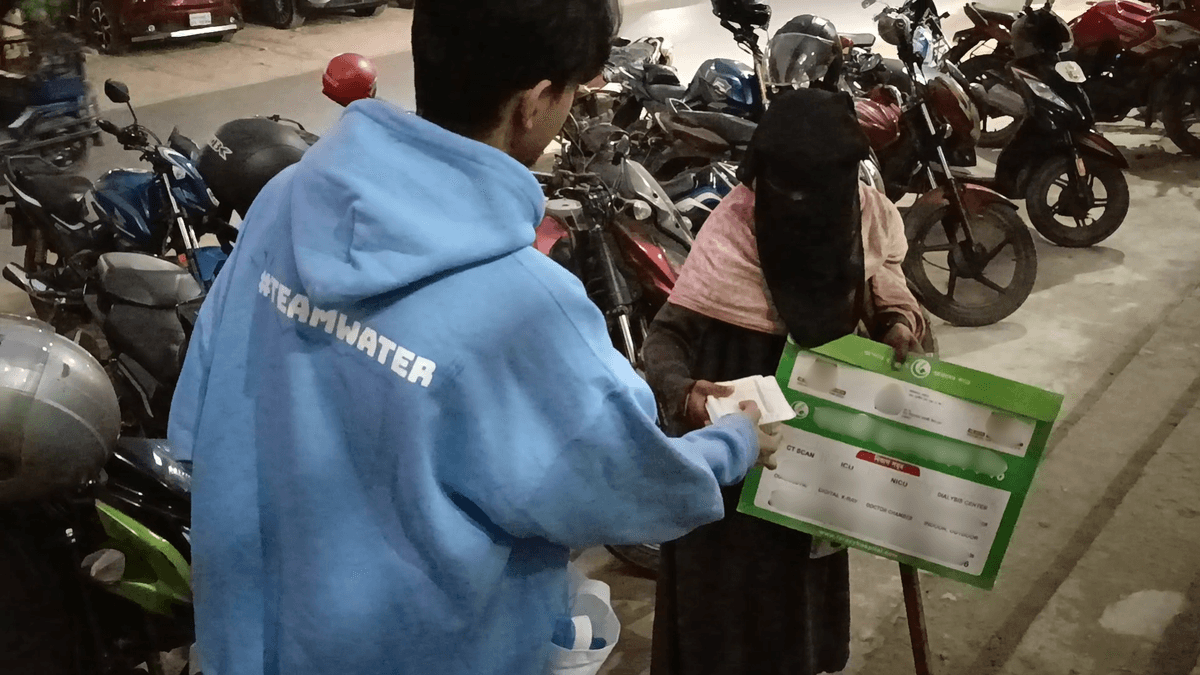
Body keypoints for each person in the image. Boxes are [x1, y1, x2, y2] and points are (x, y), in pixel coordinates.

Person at [167, 2, 769, 674]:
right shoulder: (528, 307)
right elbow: (630, 486)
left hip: (246, 641)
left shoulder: (283, 203)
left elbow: (198, 423)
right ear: (535, 102)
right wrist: (732, 440)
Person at [646, 87, 930, 675]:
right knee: (725, 626)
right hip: (730, 468)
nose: (799, 201)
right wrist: (688, 397)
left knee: (796, 609)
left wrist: (899, 322)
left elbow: (887, 284)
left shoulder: (868, 215)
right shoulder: (732, 229)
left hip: (819, 461)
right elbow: (665, 340)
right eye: (786, 187)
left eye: (817, 188)